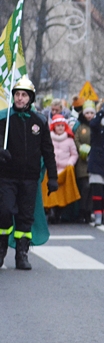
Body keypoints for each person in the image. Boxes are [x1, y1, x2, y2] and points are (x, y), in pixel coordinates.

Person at [0, 76, 58, 270]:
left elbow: (48, 151)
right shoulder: (4, 119)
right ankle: (1, 250)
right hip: (7, 176)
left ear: (30, 98)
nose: (20, 98)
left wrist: (53, 178)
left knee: (26, 216)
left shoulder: (39, 121)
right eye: (17, 94)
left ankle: (22, 254)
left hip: (30, 178)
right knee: (5, 212)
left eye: (24, 95)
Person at [43, 114, 80, 221]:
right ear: (53, 126)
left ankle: (62, 213)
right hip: (52, 170)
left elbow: (74, 154)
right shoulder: (49, 139)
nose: (60, 128)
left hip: (65, 170)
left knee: (64, 192)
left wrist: (70, 163)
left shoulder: (69, 140)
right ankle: (52, 212)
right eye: (58, 125)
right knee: (52, 193)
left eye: (62, 126)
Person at [72, 101, 96, 223]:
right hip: (82, 161)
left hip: (94, 161)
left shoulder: (96, 125)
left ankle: (89, 211)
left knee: (92, 187)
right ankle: (81, 211)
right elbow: (75, 139)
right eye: (87, 113)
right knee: (84, 186)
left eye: (92, 113)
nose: (89, 115)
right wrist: (83, 149)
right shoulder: (79, 126)